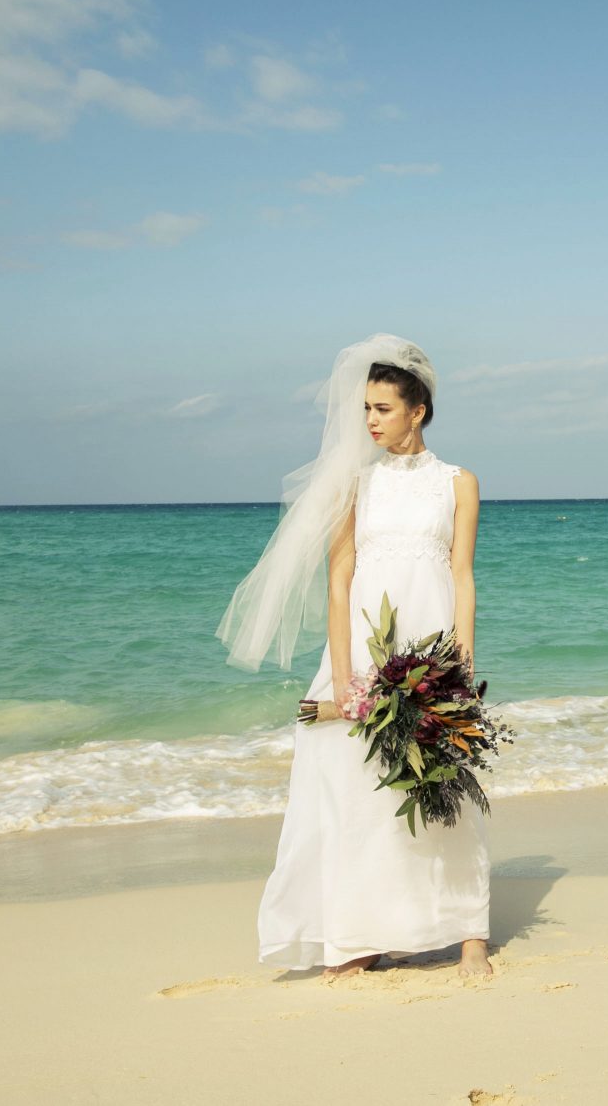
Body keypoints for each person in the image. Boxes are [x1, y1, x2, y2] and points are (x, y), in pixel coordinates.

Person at [216, 333, 492, 980]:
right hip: (364, 651)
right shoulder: (353, 487)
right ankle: (362, 935)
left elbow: (462, 575)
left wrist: (462, 660)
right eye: (365, 408)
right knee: (355, 790)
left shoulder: (459, 484)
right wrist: (343, 679)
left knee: (448, 784)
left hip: (429, 648)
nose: (368, 420)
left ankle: (470, 932)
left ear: (417, 410)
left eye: (382, 409)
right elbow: (339, 580)